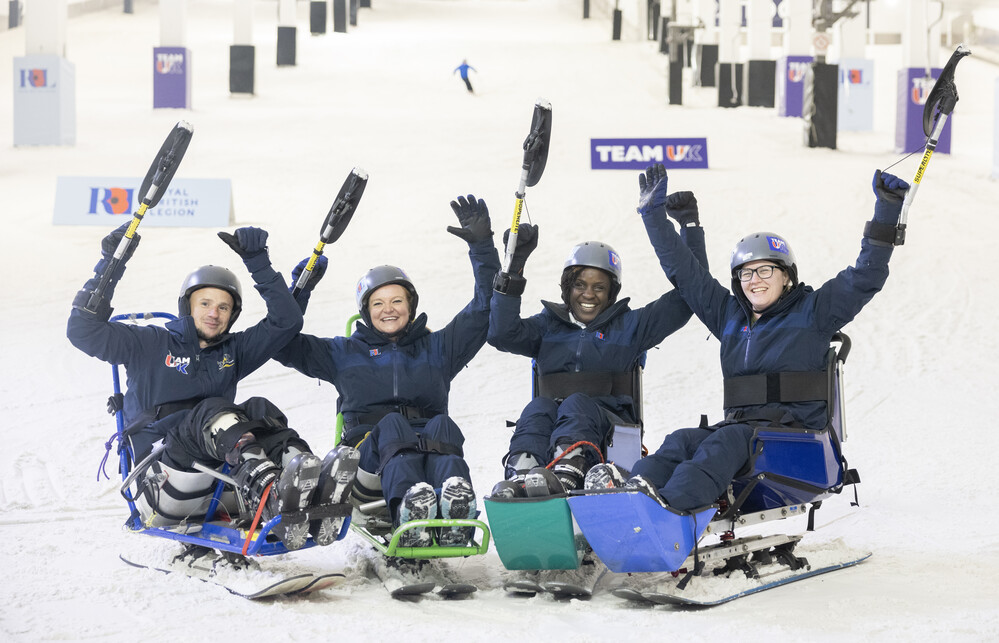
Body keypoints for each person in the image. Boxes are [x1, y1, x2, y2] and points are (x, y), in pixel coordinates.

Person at [586, 163, 909, 511]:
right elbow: (685, 273)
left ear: (786, 276)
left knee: (725, 441)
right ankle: (632, 495)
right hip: (744, 437)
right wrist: (653, 215)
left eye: (765, 270)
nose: (755, 280)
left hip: (795, 444)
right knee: (682, 441)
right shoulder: (729, 317)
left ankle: (670, 509)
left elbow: (866, 276)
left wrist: (887, 208)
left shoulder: (815, 312)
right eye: (745, 274)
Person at [67, 224, 358, 550]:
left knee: (259, 410)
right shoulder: (148, 343)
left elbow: (285, 324)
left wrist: (259, 262)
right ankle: (269, 492)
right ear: (187, 306)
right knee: (212, 410)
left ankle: (304, 491)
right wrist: (110, 262)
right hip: (163, 478)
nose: (213, 314)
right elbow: (82, 330)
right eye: (205, 303)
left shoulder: (231, 351)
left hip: (219, 482)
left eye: (223, 307)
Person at [275, 194, 501, 547]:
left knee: (442, 424)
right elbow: (282, 341)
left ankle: (454, 509)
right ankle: (410, 511)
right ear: (366, 312)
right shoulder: (343, 352)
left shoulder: (438, 348)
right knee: (392, 424)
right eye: (378, 303)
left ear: (410, 306)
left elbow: (486, 309)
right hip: (367, 463)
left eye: (397, 301)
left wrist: (483, 249)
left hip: (429, 450)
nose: (389, 310)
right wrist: (300, 290)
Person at [486, 168, 709, 497]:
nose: (588, 294)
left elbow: (690, 295)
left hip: (608, 431)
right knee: (537, 409)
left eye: (599, 287)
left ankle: (569, 468)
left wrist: (689, 227)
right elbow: (501, 333)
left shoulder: (630, 326)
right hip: (553, 426)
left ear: (612, 292)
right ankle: (524, 470)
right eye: (580, 284)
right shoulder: (548, 326)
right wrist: (513, 267)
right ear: (567, 287)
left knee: (576, 403)